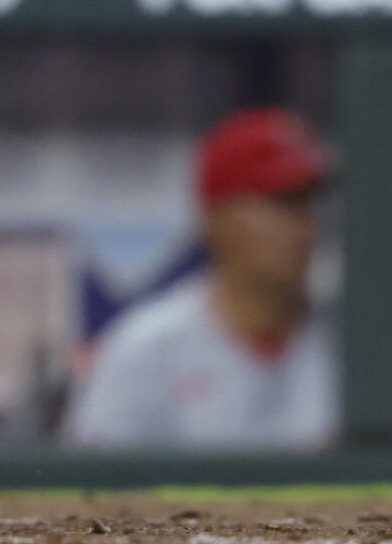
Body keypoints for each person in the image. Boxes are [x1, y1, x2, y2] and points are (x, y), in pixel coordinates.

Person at [64, 108, 336, 449]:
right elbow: (93, 494)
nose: (305, 224)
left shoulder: (357, 348)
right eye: (282, 202)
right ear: (214, 217)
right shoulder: (144, 350)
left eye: (309, 202)